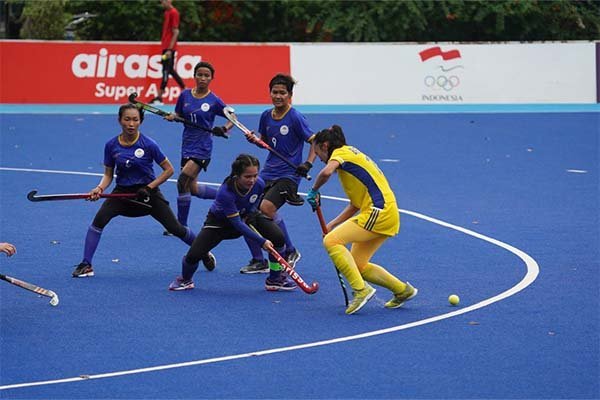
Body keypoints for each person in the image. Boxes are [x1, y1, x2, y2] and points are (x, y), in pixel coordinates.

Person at [72, 104, 203, 278]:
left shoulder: (148, 144)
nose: (131, 124)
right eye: (127, 119)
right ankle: (86, 264)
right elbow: (108, 174)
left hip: (148, 193)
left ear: (141, 121)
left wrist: (149, 187)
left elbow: (169, 170)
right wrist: (99, 188)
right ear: (119, 120)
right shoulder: (111, 145)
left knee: (176, 228)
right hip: (122, 193)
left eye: (135, 120)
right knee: (98, 221)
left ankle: (202, 251)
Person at [306, 125, 417, 315]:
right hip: (384, 212)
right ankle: (402, 290)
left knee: (331, 241)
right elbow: (355, 205)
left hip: (379, 211)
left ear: (325, 146)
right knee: (358, 265)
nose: (320, 159)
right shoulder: (349, 158)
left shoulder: (341, 153)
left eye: (318, 153)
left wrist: (314, 190)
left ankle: (360, 290)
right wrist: (332, 224)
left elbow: (325, 173)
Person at [169, 154, 296, 291]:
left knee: (278, 237)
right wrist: (261, 241)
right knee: (193, 256)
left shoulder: (259, 183)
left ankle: (275, 279)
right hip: (220, 223)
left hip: (246, 216)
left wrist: (251, 212)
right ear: (237, 175)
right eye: (247, 176)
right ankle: (185, 280)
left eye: (255, 175)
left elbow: (256, 201)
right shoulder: (226, 192)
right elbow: (237, 224)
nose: (252, 180)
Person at [239, 73, 316, 274]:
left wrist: (307, 164)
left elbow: (314, 141)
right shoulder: (266, 116)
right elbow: (266, 143)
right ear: (270, 93)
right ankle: (259, 260)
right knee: (245, 210)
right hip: (268, 172)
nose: (278, 96)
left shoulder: (296, 117)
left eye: (283, 93)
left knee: (266, 207)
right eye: (275, 92)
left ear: (290, 95)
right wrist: (255, 140)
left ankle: (290, 250)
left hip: (289, 175)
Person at [162, 61, 232, 234]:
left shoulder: (214, 100)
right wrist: (173, 117)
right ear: (194, 76)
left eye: (206, 76)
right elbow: (178, 114)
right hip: (187, 145)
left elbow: (233, 118)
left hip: (203, 147)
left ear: (211, 78)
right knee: (192, 189)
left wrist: (224, 129)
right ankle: (228, 197)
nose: (202, 78)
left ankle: (180, 226)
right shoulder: (185, 95)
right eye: (199, 75)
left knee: (182, 181)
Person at [151, 0, 185, 105]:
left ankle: (159, 97)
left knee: (165, 70)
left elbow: (176, 32)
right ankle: (185, 89)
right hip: (165, 47)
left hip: (169, 49)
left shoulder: (174, 13)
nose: (162, 4)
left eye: (164, 1)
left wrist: (170, 49)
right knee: (170, 70)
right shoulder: (167, 13)